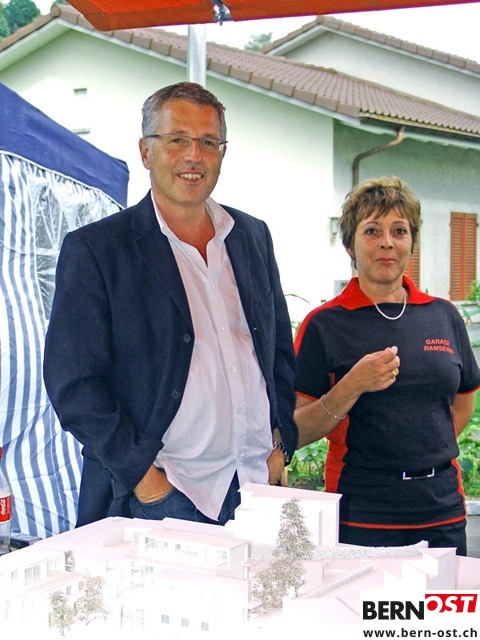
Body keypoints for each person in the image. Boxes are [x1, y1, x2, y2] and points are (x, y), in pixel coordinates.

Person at [43, 82, 297, 528]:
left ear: (222, 153)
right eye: (177, 139)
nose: (194, 156)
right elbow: (74, 384)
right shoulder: (99, 250)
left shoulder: (252, 236)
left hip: (255, 486)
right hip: (165, 496)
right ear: (146, 151)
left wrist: (279, 445)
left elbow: (277, 352)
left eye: (209, 142)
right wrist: (147, 482)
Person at [294, 176, 480, 556]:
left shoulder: (443, 315)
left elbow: (463, 402)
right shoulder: (325, 325)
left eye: (399, 231)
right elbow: (294, 430)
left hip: (442, 509)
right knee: (365, 599)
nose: (387, 242)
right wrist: (352, 386)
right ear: (350, 244)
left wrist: (421, 450)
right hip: (363, 514)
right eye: (372, 231)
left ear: (412, 242)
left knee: (446, 599)